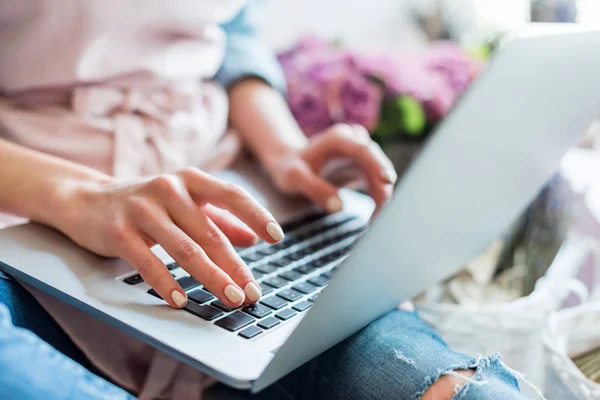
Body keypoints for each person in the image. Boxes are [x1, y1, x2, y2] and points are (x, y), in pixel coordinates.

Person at [0, 1, 529, 399]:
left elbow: (228, 28)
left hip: (226, 188)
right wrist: (79, 195)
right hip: (25, 213)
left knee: (440, 383)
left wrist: (283, 150)